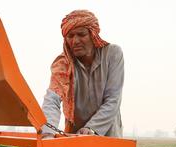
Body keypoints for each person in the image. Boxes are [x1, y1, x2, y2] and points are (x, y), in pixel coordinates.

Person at [41, 9, 124, 137]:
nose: (75, 41)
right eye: (70, 36)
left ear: (93, 34)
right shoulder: (63, 63)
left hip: (108, 134)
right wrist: (47, 134)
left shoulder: (112, 54)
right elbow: (52, 99)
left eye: (81, 34)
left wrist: (92, 128)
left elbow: (113, 99)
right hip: (75, 136)